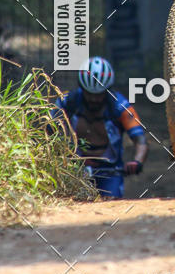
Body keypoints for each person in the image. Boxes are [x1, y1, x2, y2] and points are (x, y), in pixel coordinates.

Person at [54, 56, 148, 200]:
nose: (94, 99)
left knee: (112, 205)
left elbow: (140, 140)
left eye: (99, 95)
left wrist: (137, 161)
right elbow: (46, 129)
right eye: (89, 94)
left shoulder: (120, 106)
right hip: (74, 169)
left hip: (110, 171)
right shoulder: (67, 101)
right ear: (81, 88)